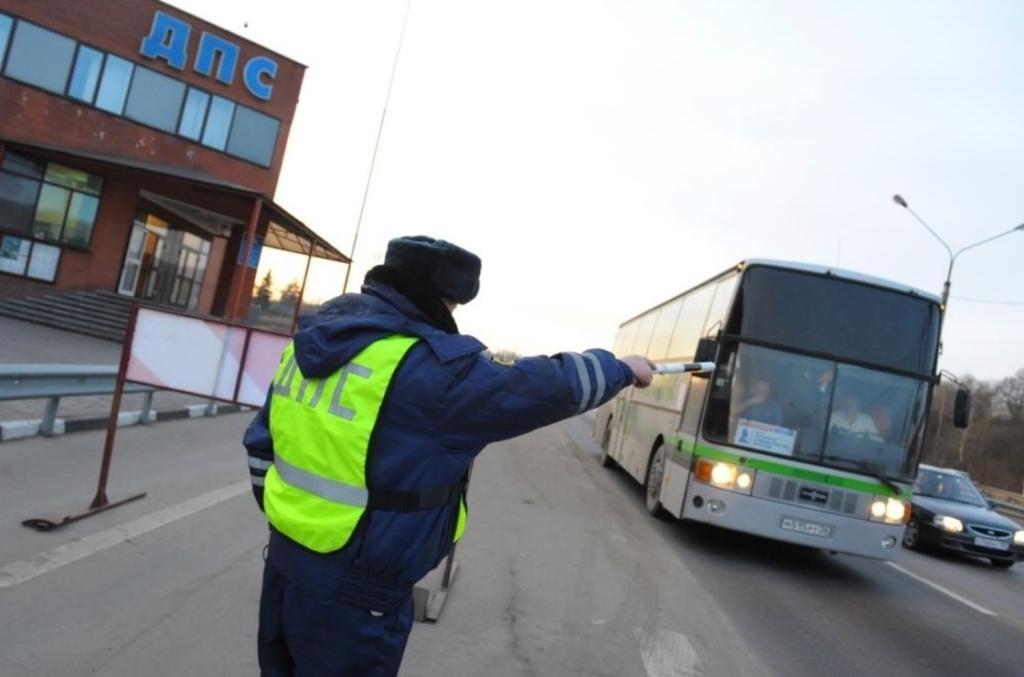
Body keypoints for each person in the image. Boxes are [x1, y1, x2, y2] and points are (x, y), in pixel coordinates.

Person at [243, 235, 656, 677]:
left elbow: (260, 445)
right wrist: (620, 368)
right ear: (439, 299)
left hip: (285, 568)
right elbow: (536, 388)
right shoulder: (429, 370)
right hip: (356, 597)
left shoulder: (310, 341)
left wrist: (292, 521)